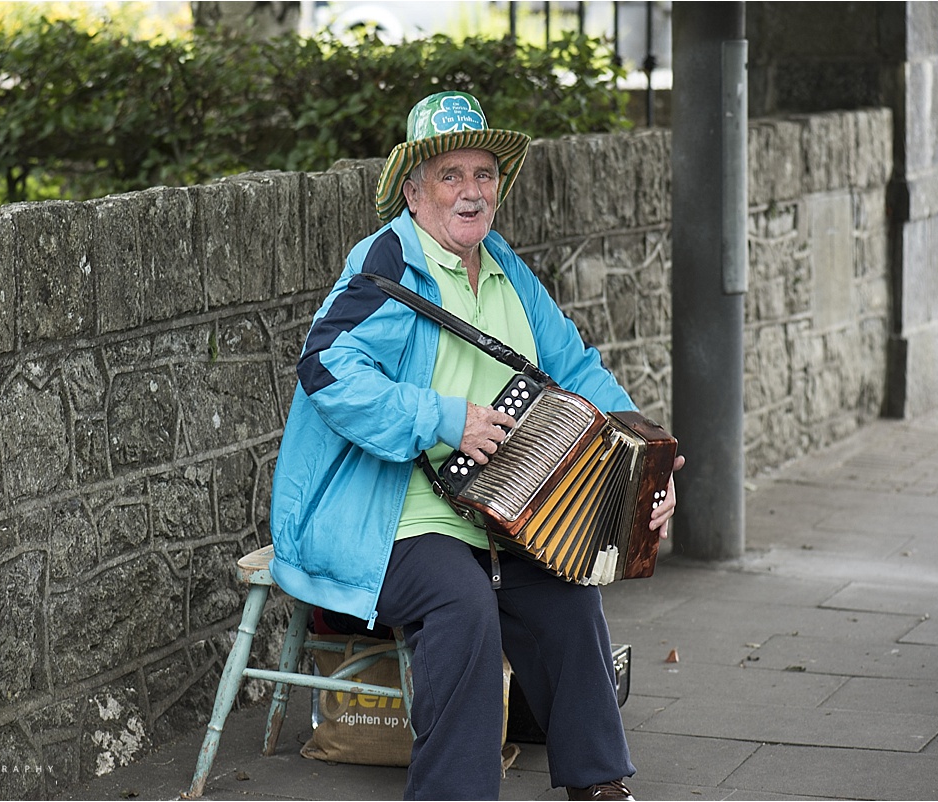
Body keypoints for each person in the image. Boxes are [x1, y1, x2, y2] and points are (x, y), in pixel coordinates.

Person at [269, 91, 684, 801]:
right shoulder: (388, 264)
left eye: (484, 174)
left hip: (493, 509)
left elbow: (574, 366)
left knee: (567, 589)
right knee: (463, 601)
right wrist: (442, 417)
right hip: (386, 513)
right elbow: (325, 366)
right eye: (450, 175)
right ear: (414, 189)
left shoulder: (502, 265)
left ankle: (598, 783)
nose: (471, 192)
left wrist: (648, 457)